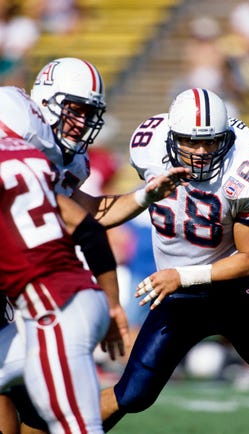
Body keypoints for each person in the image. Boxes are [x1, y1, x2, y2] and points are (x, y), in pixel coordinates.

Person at [0, 65, 189, 431]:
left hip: (31, 288)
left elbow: (87, 217)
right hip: (41, 288)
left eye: (89, 112)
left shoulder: (61, 160)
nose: (82, 121)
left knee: (33, 399)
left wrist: (145, 196)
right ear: (43, 103)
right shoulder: (22, 139)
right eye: (75, 108)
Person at [100, 88, 249, 434]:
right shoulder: (147, 144)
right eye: (191, 142)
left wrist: (181, 275)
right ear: (171, 137)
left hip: (236, 292)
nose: (201, 152)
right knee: (133, 394)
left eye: (211, 142)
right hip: (177, 298)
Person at [0, 104, 129, 432]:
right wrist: (113, 305)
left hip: (51, 310)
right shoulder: (36, 166)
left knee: (76, 429)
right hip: (78, 298)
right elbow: (90, 230)